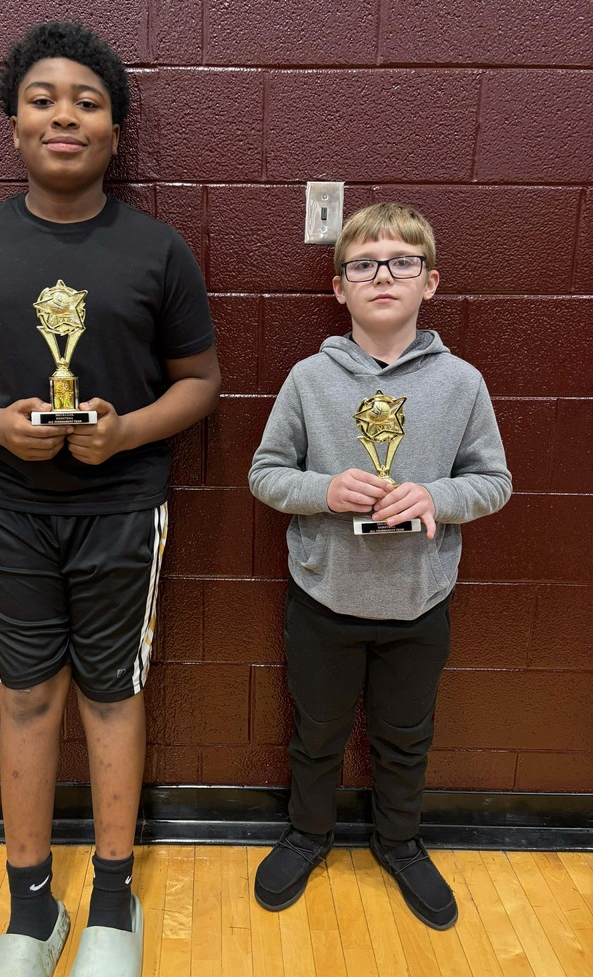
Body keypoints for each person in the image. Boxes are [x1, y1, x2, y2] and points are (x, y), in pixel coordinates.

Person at [0, 21, 220, 977]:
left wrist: (124, 430)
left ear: (116, 134)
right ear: (13, 124)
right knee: (25, 699)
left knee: (111, 695)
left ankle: (115, 905)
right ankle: (31, 912)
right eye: (43, 98)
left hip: (123, 508)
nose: (64, 114)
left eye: (88, 102)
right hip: (6, 508)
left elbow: (199, 381)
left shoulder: (158, 249)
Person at [248, 202, 511, 931]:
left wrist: (438, 495)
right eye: (364, 265)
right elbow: (266, 474)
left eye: (402, 262)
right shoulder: (309, 379)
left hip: (418, 605)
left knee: (405, 736)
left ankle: (398, 842)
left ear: (431, 281)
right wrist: (325, 491)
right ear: (339, 289)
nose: (383, 276)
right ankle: (308, 834)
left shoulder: (462, 384)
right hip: (324, 601)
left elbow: (494, 483)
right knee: (318, 731)